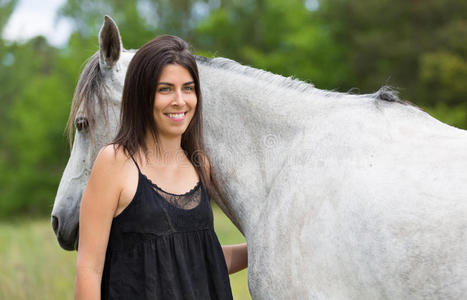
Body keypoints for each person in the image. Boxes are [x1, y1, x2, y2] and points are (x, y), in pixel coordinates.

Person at [74, 35, 247, 300]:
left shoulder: (200, 165)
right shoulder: (115, 162)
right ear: (142, 95)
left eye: (188, 88)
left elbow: (200, 261)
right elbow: (89, 270)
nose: (180, 100)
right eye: (165, 89)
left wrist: (261, 247)